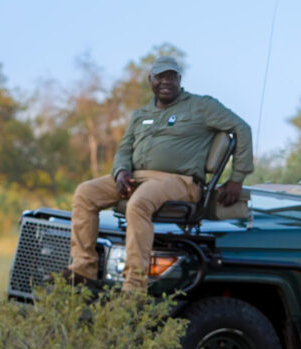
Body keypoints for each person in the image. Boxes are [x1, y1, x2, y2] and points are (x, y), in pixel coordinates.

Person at [63, 56, 253, 292]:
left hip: (179, 181)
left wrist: (237, 178)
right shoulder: (140, 114)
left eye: (171, 76)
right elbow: (124, 149)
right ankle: (83, 270)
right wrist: (121, 171)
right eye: (160, 76)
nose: (166, 81)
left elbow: (241, 128)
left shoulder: (201, 106)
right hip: (138, 176)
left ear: (179, 80)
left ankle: (134, 286)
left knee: (138, 203)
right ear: (150, 80)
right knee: (85, 193)